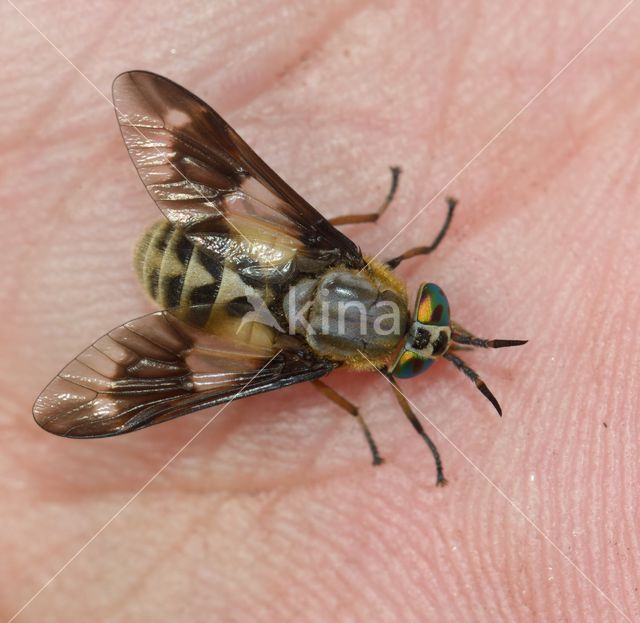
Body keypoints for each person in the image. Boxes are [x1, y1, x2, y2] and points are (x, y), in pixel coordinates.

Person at [2, 2, 638, 621]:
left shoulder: (339, 260)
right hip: (214, 286)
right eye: (430, 314)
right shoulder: (314, 362)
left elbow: (265, 198)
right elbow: (261, 377)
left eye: (420, 335)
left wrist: (407, 241)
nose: (425, 326)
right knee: (215, 365)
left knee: (295, 227)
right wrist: (360, 416)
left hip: (223, 253)